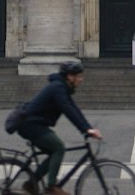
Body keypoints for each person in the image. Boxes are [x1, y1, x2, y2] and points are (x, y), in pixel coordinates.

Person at [15, 60, 100, 195]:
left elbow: (74, 109)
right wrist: (86, 130)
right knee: (58, 147)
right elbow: (68, 111)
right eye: (79, 76)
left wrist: (87, 129)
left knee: (53, 152)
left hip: (34, 123)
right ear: (70, 77)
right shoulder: (58, 88)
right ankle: (51, 187)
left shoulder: (62, 88)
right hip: (30, 124)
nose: (81, 79)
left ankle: (31, 184)